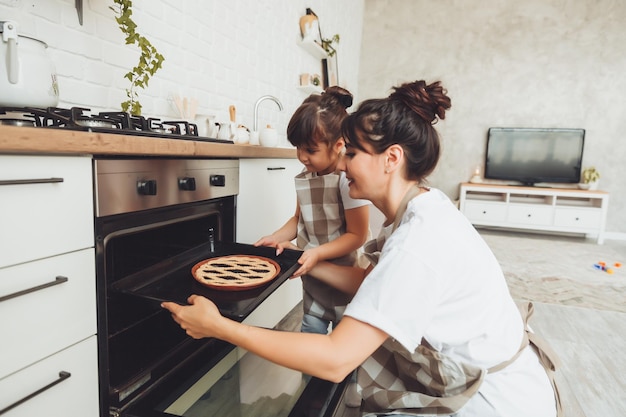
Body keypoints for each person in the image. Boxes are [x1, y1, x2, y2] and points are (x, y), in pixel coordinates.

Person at [162, 80, 561, 417]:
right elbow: (370, 283)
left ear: (391, 159)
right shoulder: (423, 208)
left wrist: (220, 328)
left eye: (351, 153)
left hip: (492, 400)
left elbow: (336, 359)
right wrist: (307, 260)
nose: (341, 163)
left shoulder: (418, 243)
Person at [254, 86, 371, 336]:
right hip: (314, 278)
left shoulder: (346, 179)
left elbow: (357, 235)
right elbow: (298, 220)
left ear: (338, 144)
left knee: (344, 349)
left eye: (311, 150)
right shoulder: (307, 176)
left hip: (343, 276)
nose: (302, 157)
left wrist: (316, 253)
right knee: (310, 334)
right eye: (298, 148)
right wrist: (277, 237)